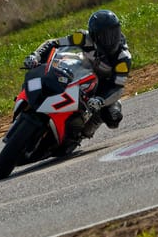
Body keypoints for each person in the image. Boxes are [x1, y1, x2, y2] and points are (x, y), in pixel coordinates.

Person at [23, 9, 132, 141]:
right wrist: (36, 55)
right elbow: (54, 43)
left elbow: (118, 87)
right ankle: (31, 100)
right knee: (51, 73)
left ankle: (86, 128)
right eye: (104, 36)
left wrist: (101, 100)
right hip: (82, 71)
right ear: (93, 34)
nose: (110, 40)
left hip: (103, 87)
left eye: (114, 33)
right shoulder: (84, 37)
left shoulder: (123, 58)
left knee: (114, 117)